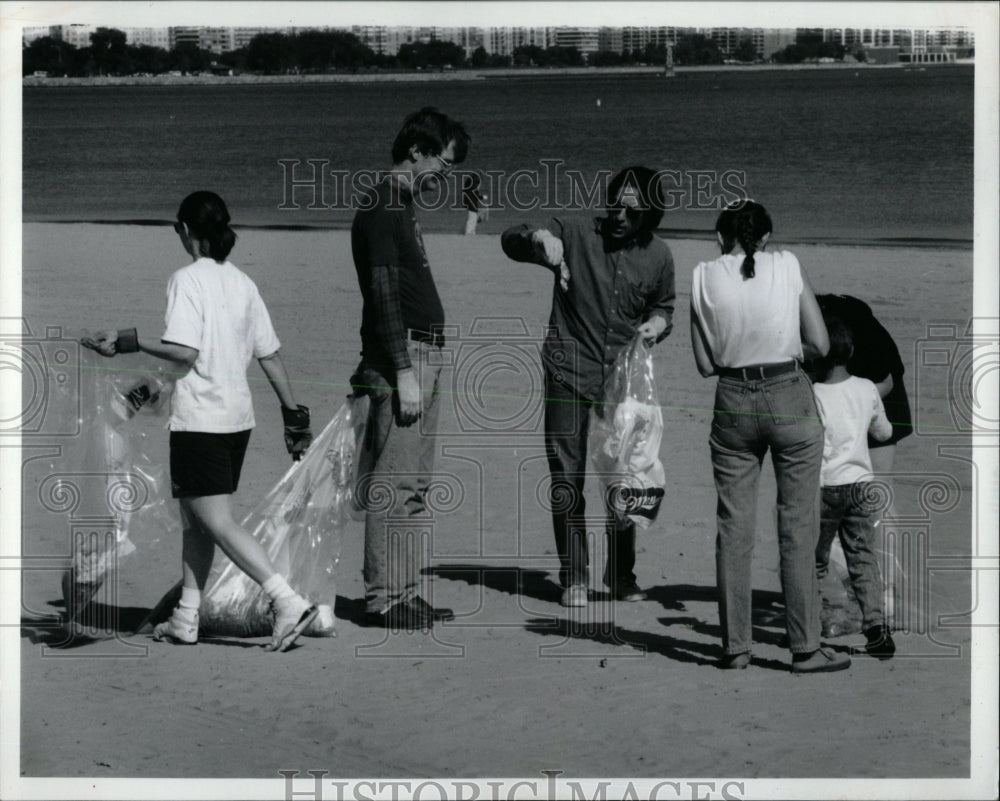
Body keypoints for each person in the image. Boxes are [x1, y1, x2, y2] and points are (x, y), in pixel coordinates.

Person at [82, 190, 318, 652]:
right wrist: (294, 414)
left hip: (201, 423)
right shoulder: (243, 284)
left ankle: (286, 601)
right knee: (196, 521)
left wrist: (128, 340)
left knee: (217, 522)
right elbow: (269, 354)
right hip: (237, 422)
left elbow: (184, 353)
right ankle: (187, 616)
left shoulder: (186, 280)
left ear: (188, 231)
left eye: (177, 227)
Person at [501, 166, 675, 607]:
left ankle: (620, 575)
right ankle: (574, 576)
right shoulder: (575, 232)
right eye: (614, 204)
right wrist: (538, 240)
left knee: (624, 477)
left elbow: (663, 306)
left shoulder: (659, 256)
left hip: (623, 381)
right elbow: (511, 240)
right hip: (567, 370)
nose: (619, 215)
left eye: (631, 211)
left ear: (649, 214)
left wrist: (657, 324)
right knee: (566, 475)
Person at [689, 199, 849, 673]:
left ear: (721, 238)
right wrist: (781, 345)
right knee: (798, 527)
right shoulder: (787, 264)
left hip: (733, 399)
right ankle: (805, 648)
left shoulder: (701, 275)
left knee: (733, 528)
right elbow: (820, 344)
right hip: (788, 394)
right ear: (767, 238)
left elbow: (703, 364)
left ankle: (735, 647)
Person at [350, 106, 470, 631]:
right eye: (442, 164)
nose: (445, 175)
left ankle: (406, 590)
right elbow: (382, 292)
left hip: (427, 354)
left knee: (416, 484)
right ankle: (384, 598)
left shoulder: (401, 205)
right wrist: (402, 369)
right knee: (392, 483)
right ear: (416, 152)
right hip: (405, 358)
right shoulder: (382, 204)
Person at [809, 293, 912, 631]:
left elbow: (889, 378)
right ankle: (846, 600)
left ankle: (886, 598)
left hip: (875, 398)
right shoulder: (807, 324)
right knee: (844, 507)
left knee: (877, 499)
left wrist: (855, 400)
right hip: (847, 397)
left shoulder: (850, 321)